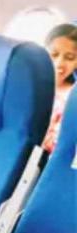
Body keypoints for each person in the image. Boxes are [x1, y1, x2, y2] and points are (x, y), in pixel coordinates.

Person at [42, 23, 77, 154]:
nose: (59, 63)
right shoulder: (29, 86)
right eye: (54, 54)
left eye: (70, 58)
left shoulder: (72, 97)